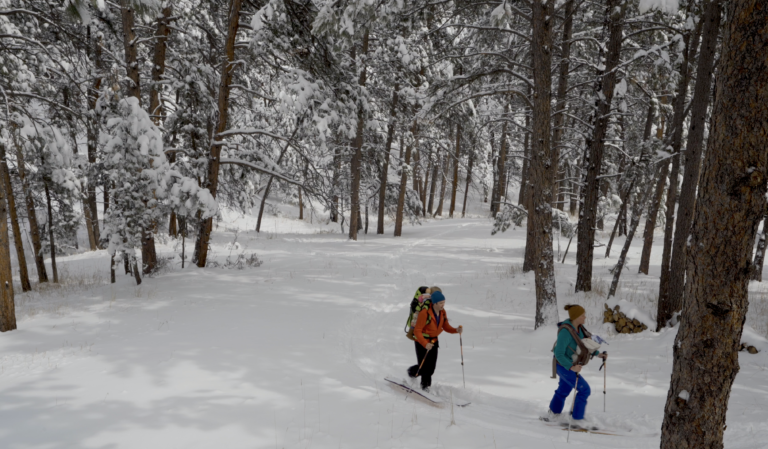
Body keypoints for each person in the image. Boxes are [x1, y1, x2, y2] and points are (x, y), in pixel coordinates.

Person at [546, 304, 607, 428]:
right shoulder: (565, 332)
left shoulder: (580, 328)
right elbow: (559, 354)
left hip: (569, 365)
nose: (585, 317)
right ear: (575, 317)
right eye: (582, 315)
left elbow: (584, 346)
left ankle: (553, 413)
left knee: (564, 389)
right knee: (584, 389)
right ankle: (576, 419)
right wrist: (571, 367)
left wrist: (598, 354)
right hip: (562, 365)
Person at [407, 289, 463, 392]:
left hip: (433, 341)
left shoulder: (442, 312)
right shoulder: (424, 313)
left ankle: (424, 385)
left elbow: (445, 326)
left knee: (431, 368)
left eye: (444, 302)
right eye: (441, 303)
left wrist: (456, 330)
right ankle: (418, 380)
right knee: (424, 367)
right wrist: (425, 344)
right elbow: (417, 331)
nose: (443, 305)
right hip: (421, 341)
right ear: (435, 303)